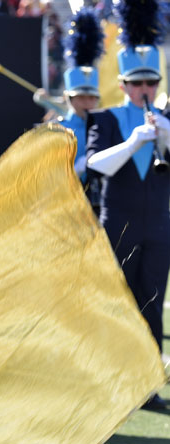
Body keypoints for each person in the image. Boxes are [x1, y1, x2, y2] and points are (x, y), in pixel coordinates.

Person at [86, 0, 170, 409]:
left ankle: (148, 385)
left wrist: (165, 138)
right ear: (122, 84)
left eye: (151, 82)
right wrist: (134, 141)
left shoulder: (167, 119)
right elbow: (94, 164)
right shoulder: (103, 120)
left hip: (158, 225)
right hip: (118, 222)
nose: (145, 90)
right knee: (118, 303)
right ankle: (113, 383)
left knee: (152, 303)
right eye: (137, 83)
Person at [56, 7, 103, 213]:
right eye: (81, 97)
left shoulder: (106, 126)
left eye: (92, 97)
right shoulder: (58, 129)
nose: (87, 102)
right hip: (67, 204)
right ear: (69, 98)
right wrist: (77, 169)